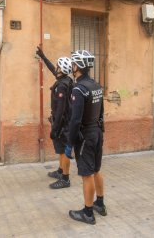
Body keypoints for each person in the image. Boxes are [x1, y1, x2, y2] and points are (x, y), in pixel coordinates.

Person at [65, 50, 107, 225]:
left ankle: (88, 213)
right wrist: (100, 131)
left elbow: (75, 120)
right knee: (96, 169)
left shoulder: (78, 89)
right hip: (97, 132)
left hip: (85, 136)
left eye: (73, 64)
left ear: (77, 66)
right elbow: (102, 112)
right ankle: (100, 203)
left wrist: (69, 143)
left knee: (86, 174)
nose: (72, 67)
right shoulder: (96, 85)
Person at [36, 46, 73, 189]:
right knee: (60, 149)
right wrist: (43, 57)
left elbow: (61, 110)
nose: (56, 68)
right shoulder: (65, 79)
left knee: (64, 150)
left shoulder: (63, 86)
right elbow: (53, 70)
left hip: (63, 123)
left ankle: (65, 178)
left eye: (58, 66)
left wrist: (55, 128)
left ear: (62, 69)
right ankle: (60, 170)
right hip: (62, 122)